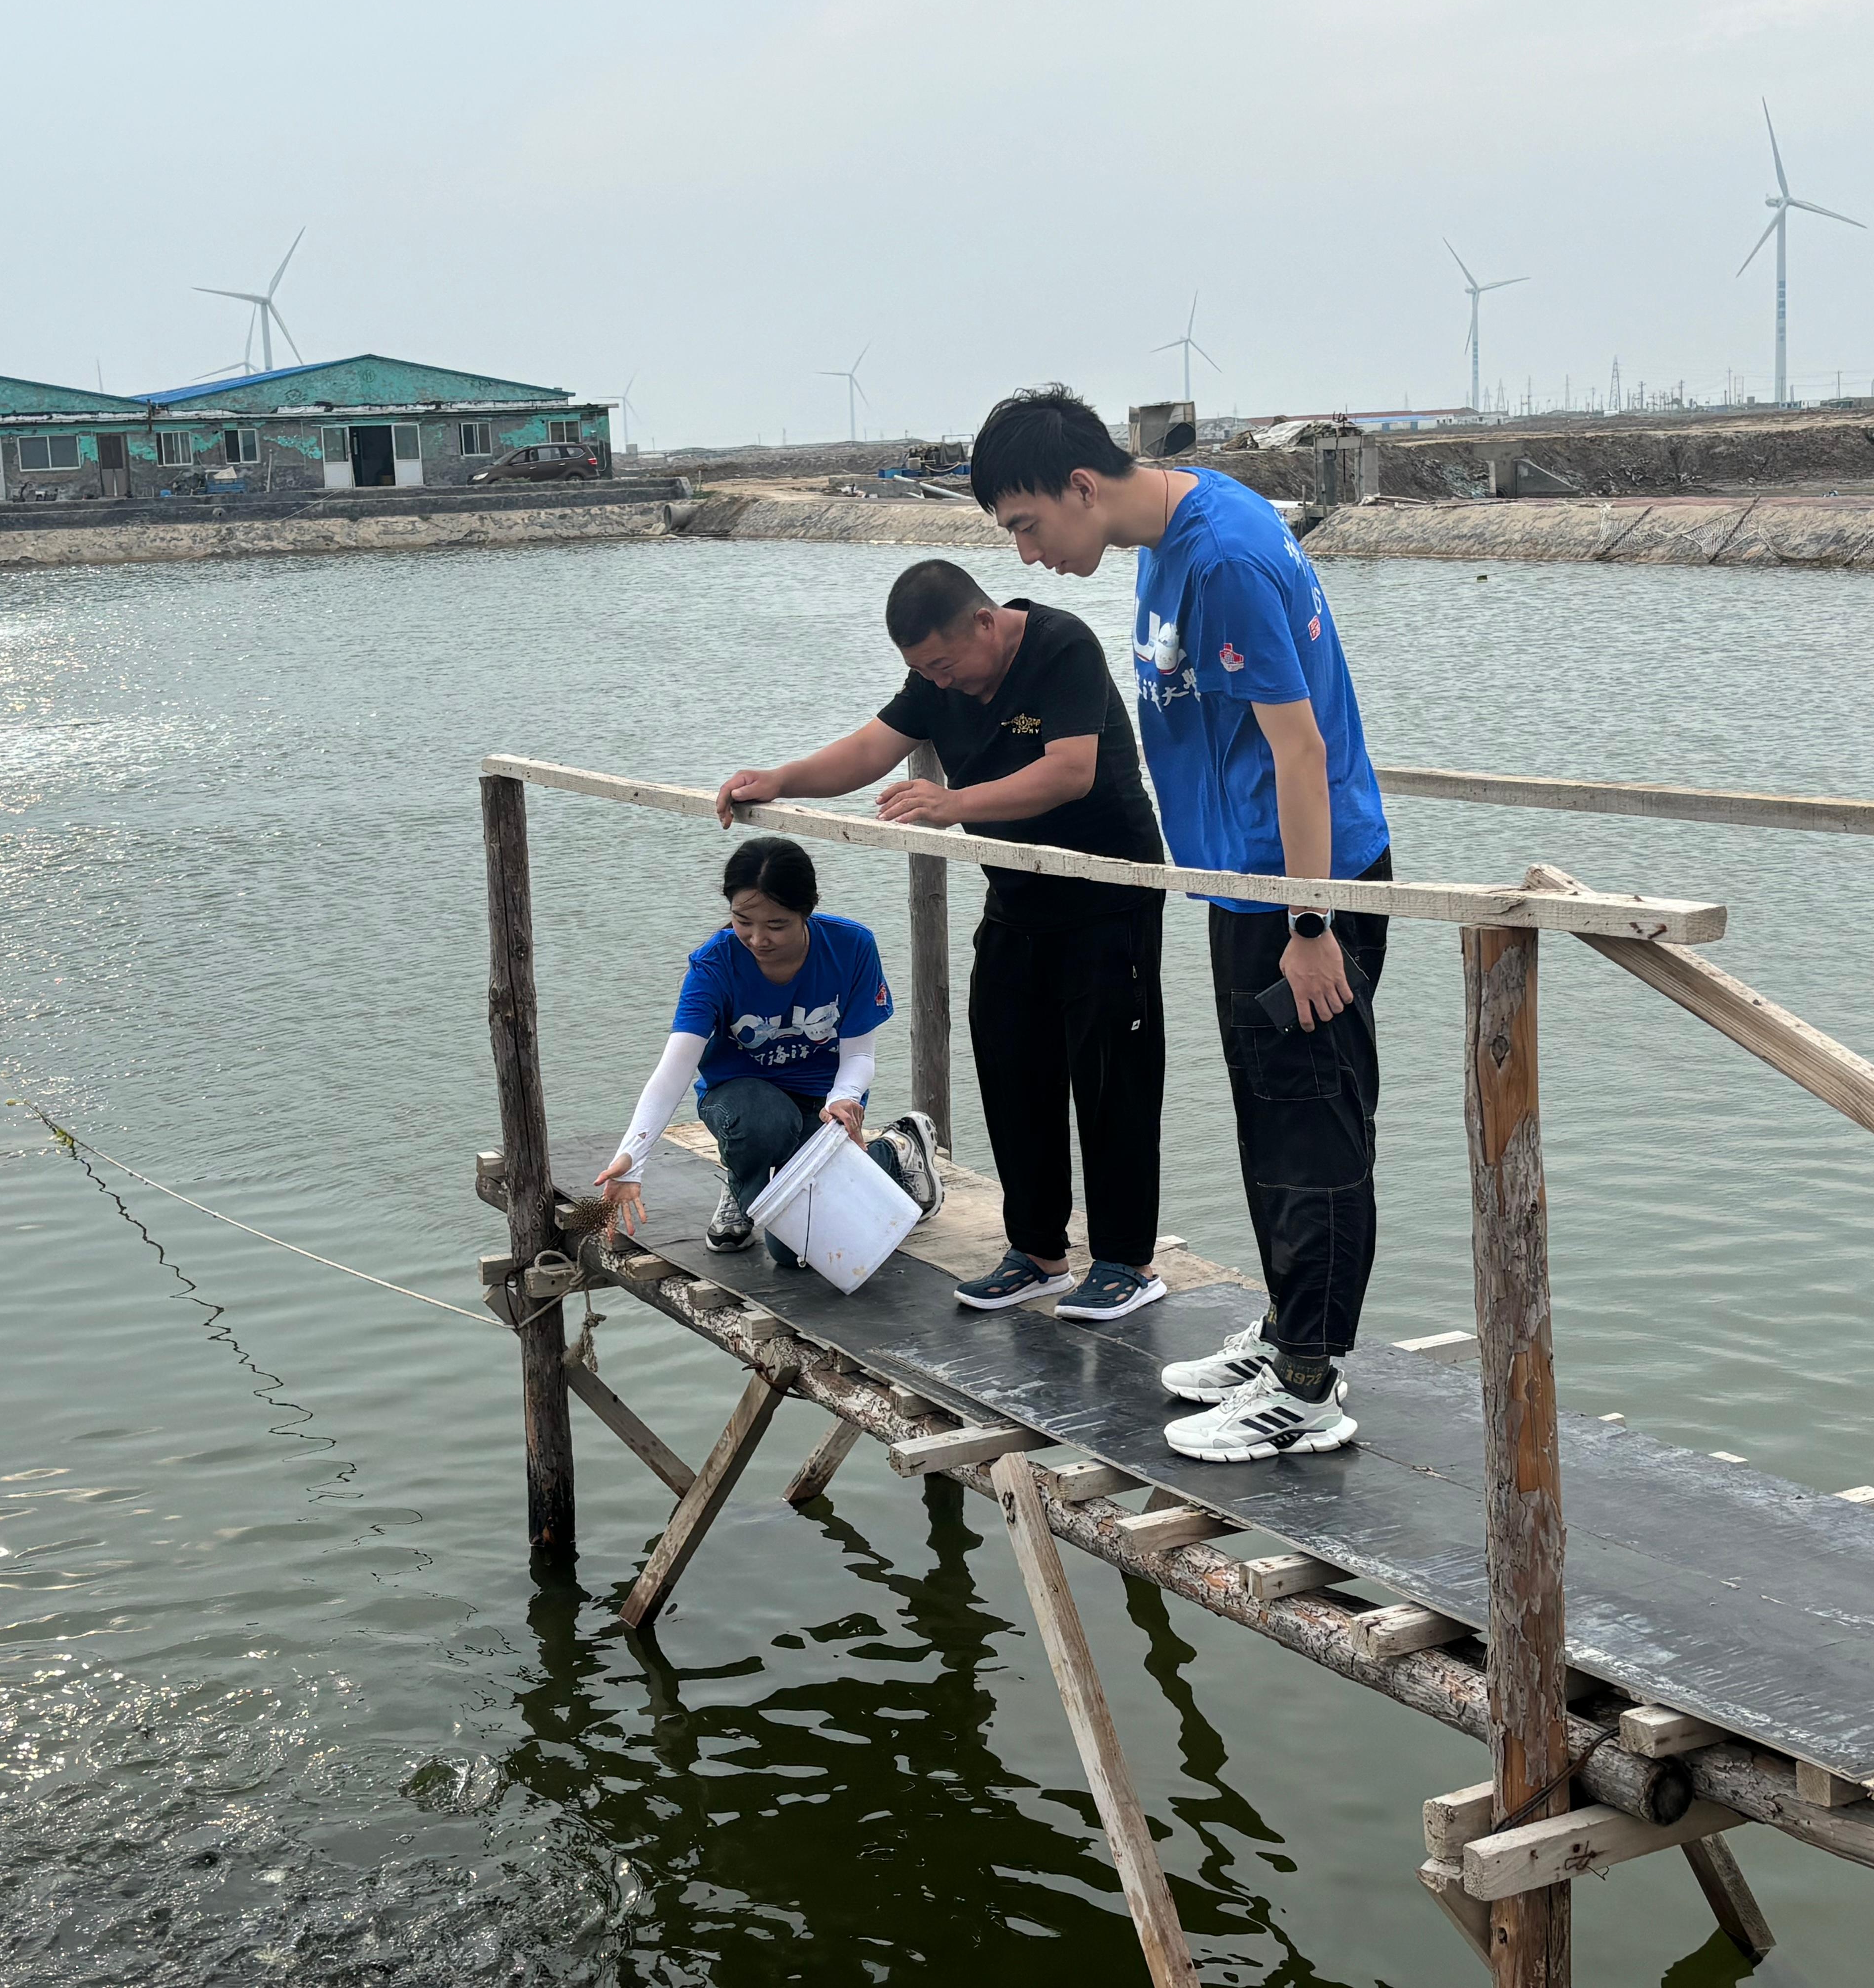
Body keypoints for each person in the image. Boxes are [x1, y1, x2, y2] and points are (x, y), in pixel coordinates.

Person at [970, 386, 1392, 1464]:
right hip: (1243, 883)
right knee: (1268, 1120)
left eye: (1025, 525)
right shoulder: (1164, 536)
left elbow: (1300, 752)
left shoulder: (1222, 559)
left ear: (1080, 486)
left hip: (1303, 889)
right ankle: (1293, 1333)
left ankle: (1309, 1384)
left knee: (1312, 1129)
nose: (1025, 556)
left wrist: (1312, 921)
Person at [714, 558, 1172, 1322]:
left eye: (945, 666)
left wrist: (953, 803)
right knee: (1008, 1060)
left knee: (1109, 1078)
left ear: (985, 624)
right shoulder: (937, 678)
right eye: (925, 673)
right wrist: (780, 779)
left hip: (1108, 893)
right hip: (1017, 894)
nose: (943, 684)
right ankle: (1038, 1254)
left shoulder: (1063, 647)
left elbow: (1070, 772)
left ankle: (1128, 1261)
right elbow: (870, 749)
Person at [593, 835, 943, 1263]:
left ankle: (898, 1150)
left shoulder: (852, 947)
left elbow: (859, 1056)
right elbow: (675, 1070)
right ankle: (744, 1186)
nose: (758, 939)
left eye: (777, 925)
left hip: (823, 1101)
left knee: (789, 1253)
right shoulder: (714, 965)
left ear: (806, 911)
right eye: (743, 921)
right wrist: (633, 1159)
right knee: (763, 1121)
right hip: (743, 1098)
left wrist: (844, 1100)